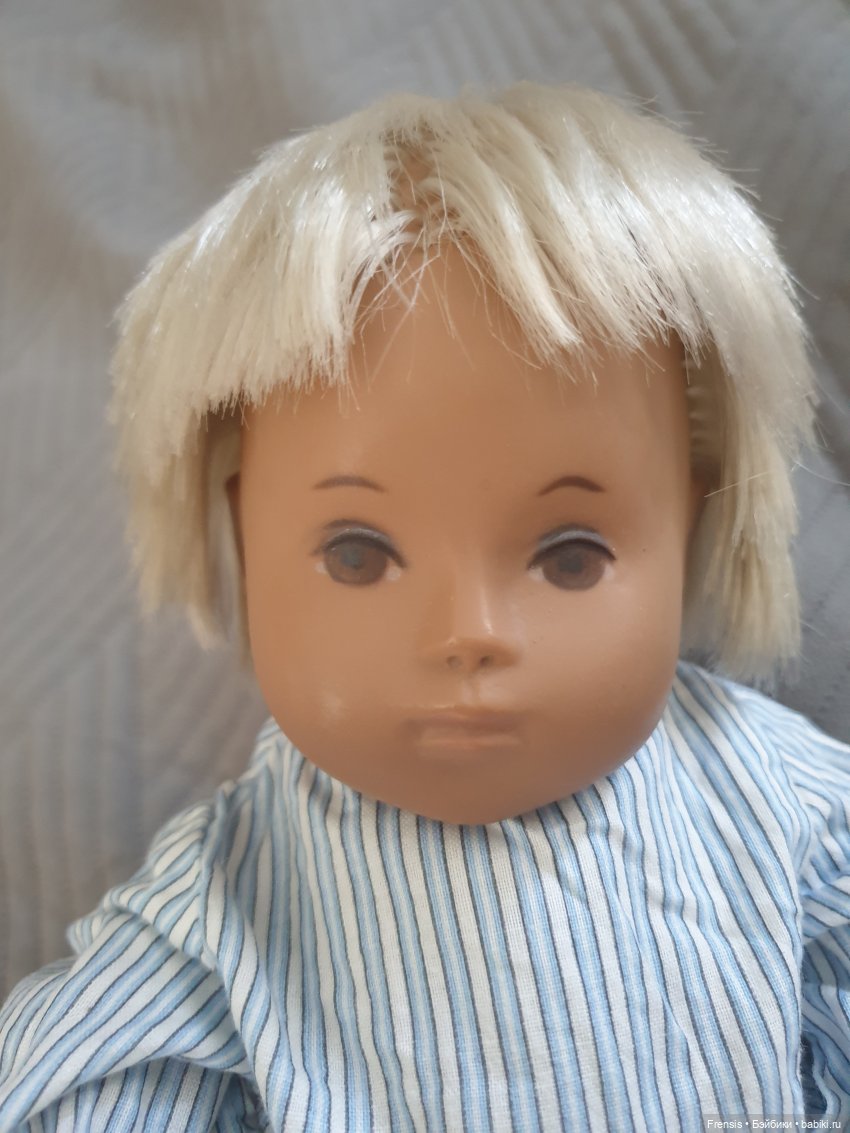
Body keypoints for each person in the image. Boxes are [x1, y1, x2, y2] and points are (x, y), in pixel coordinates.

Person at [0, 82, 847, 1131]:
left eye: (569, 557)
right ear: (242, 535)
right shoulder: (225, 915)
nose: (468, 631)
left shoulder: (788, 810)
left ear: (694, 519)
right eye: (358, 555)